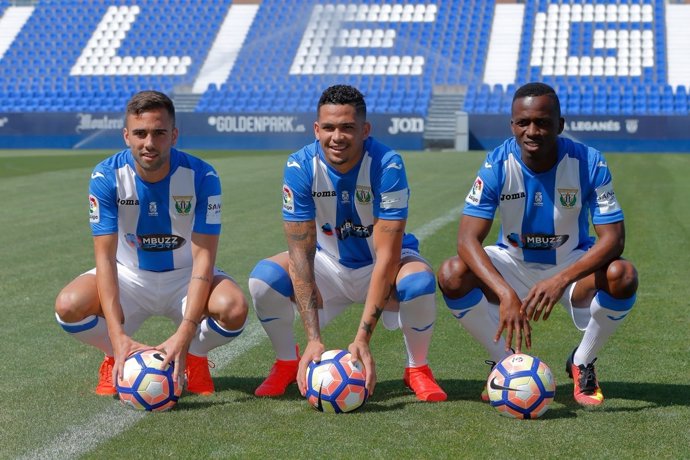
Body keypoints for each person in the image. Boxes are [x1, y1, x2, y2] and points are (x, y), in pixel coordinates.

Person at [437, 82, 638, 407]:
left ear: (560, 125)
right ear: (512, 125)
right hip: (512, 262)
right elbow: (466, 239)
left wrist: (560, 280)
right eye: (524, 122)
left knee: (623, 275)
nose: (532, 131)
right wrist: (505, 293)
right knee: (452, 274)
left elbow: (614, 238)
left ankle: (582, 362)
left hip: (571, 263)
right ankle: (504, 363)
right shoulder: (497, 163)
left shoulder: (589, 162)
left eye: (542, 122)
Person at [248, 84, 446, 402]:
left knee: (419, 281)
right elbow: (300, 252)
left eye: (347, 128)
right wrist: (313, 338)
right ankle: (287, 361)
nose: (336, 137)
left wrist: (363, 338)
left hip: (380, 265)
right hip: (329, 263)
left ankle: (417, 369)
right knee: (263, 279)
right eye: (328, 127)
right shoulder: (300, 166)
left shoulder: (387, 165)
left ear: (364, 130)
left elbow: (388, 257)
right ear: (316, 129)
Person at [54, 90, 248, 396]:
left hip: (185, 276)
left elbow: (203, 260)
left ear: (174, 135)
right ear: (126, 136)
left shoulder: (202, 176)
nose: (149, 143)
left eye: (159, 133)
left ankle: (194, 357)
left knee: (234, 308)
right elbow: (105, 259)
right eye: (140, 133)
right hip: (129, 276)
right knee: (68, 306)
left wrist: (185, 334)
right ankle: (114, 355)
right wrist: (116, 335)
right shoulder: (107, 175)